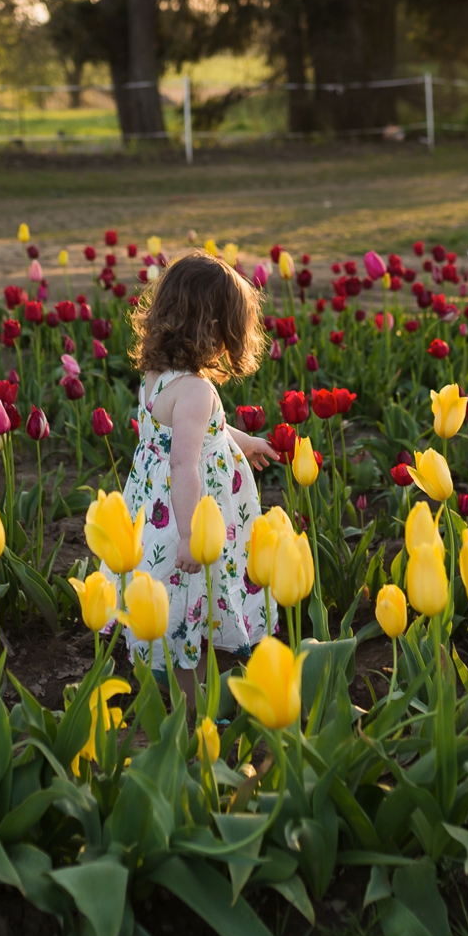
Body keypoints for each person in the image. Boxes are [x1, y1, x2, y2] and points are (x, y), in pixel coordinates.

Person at [110, 249, 279, 688]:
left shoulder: (156, 376)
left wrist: (246, 440)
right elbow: (185, 462)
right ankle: (193, 707)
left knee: (178, 598)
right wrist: (189, 535)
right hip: (191, 514)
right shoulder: (196, 391)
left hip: (156, 509)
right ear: (217, 327)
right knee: (193, 600)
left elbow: (207, 434)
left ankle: (188, 686)